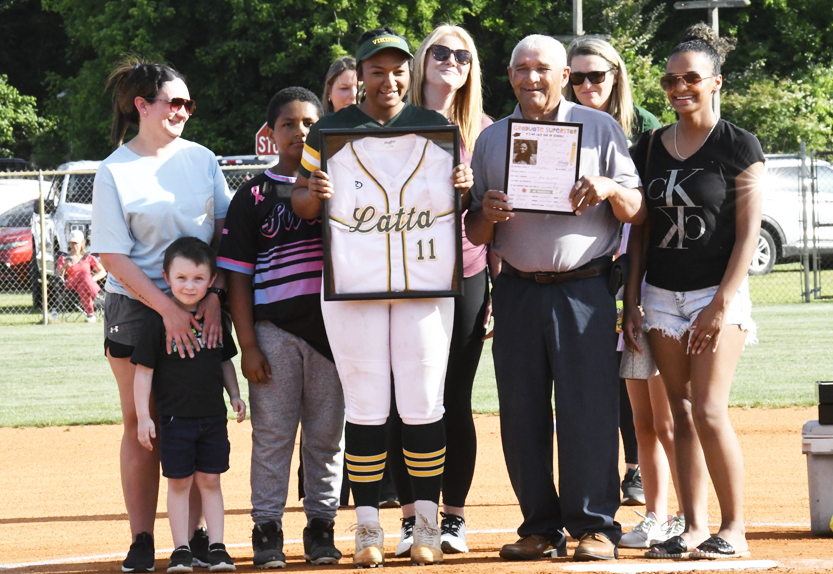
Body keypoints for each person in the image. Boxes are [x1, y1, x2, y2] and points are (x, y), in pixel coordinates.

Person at [291, 26, 473, 568]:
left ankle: (426, 525)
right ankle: (367, 527)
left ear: (408, 73)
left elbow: (456, 208)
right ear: (362, 74)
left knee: (423, 403)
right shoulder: (330, 129)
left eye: (397, 70)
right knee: (367, 405)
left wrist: (463, 187)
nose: (388, 80)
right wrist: (313, 192)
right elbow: (300, 201)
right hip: (354, 285)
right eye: (377, 71)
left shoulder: (436, 128)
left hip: (425, 285)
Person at [466, 34, 645, 562]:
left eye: (543, 68)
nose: (531, 78)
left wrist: (609, 188)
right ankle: (540, 527)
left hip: (584, 288)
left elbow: (636, 207)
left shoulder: (598, 127)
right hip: (517, 289)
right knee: (521, 413)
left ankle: (595, 526)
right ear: (509, 75)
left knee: (588, 409)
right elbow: (474, 230)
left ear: (564, 75)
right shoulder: (492, 139)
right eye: (521, 68)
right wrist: (487, 214)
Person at [625, 23, 764, 560]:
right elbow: (640, 231)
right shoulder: (649, 147)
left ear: (715, 82)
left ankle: (734, 529)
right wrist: (632, 300)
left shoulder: (739, 145)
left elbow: (748, 235)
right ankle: (691, 527)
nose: (679, 88)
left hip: (715, 293)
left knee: (707, 409)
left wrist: (721, 303)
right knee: (679, 413)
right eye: (670, 80)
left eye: (691, 79)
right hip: (661, 294)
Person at [91, 57, 231, 572]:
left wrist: (213, 294)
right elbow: (112, 256)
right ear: (142, 105)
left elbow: (226, 234)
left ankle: (192, 537)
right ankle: (142, 538)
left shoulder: (202, 159)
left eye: (188, 104)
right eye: (174, 102)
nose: (183, 111)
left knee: (191, 416)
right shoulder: (115, 170)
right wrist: (167, 308)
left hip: (200, 302)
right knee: (142, 424)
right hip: (136, 305)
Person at [218, 87, 346, 567]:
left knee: (326, 437)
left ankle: (321, 526)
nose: (301, 132)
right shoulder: (253, 195)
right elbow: (237, 277)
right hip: (273, 332)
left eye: (310, 123)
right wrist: (248, 344)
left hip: (333, 333)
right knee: (272, 436)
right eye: (288, 124)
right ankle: (267, 528)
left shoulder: (341, 185)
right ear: (270, 134)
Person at [565, 36, 683, 547]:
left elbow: (649, 214)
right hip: (597, 280)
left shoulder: (648, 131)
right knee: (636, 409)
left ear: (617, 76)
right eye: (577, 76)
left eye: (597, 75)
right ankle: (655, 512)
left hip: (651, 279)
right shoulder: (560, 127)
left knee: (667, 410)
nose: (587, 84)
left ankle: (687, 512)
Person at [384, 23, 492, 557]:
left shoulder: (486, 131)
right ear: (423, 61)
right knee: (404, 399)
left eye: (463, 55)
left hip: (466, 274)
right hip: (400, 275)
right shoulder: (390, 122)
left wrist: (495, 290)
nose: (452, 61)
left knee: (454, 399)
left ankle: (452, 518)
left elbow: (496, 217)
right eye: (441, 52)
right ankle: (411, 519)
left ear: (472, 69)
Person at [132, 237, 244, 573]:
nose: (189, 286)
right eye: (181, 278)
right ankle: (180, 549)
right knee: (179, 483)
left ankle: (217, 547)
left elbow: (225, 362)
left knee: (211, 481)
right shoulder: (158, 322)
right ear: (166, 277)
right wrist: (143, 416)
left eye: (198, 278)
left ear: (211, 280)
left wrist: (235, 395)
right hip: (174, 420)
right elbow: (143, 373)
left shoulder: (215, 319)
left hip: (213, 419)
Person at [56, 229, 106, 322]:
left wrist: (91, 280)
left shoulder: (88, 257)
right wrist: (64, 266)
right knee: (84, 274)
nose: (74, 245)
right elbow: (58, 275)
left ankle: (90, 315)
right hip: (71, 284)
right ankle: (98, 297)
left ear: (82, 243)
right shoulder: (64, 258)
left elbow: (103, 272)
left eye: (76, 243)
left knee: (82, 286)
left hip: (85, 285)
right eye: (72, 243)